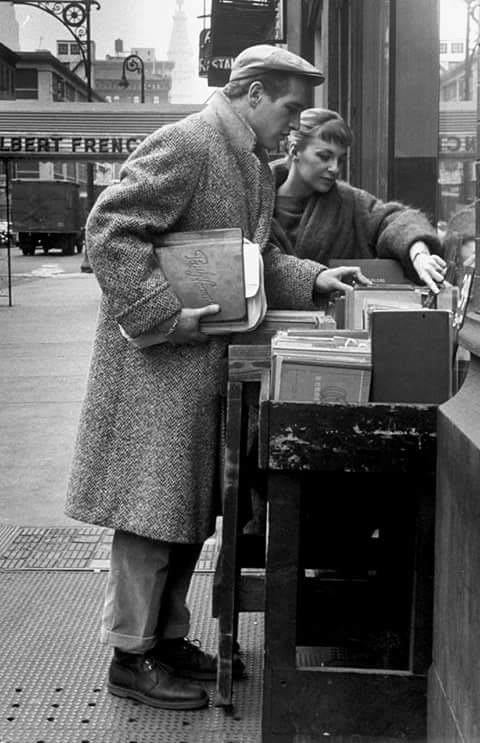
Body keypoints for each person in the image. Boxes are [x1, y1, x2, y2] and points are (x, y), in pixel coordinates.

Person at [65, 45, 368, 712]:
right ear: (253, 93)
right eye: (289, 108)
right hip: (156, 368)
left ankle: (165, 638)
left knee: (181, 511)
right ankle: (130, 655)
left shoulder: (249, 161)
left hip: (192, 366)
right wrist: (164, 314)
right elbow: (109, 230)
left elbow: (260, 259)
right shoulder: (193, 142)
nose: (294, 126)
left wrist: (315, 277)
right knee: (150, 514)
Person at [264, 107, 447, 310]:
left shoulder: (349, 202)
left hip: (334, 333)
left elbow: (396, 219)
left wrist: (419, 255)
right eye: (324, 156)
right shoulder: (255, 201)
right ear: (294, 150)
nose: (334, 168)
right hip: (261, 328)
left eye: (340, 159)